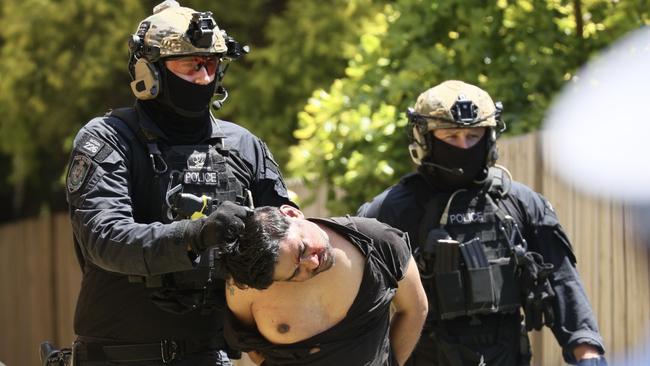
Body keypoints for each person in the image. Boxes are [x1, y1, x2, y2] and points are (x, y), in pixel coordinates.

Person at [63, 1, 294, 365]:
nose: (204, 77)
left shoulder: (244, 146)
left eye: (211, 64)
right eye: (190, 65)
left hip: (211, 356)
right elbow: (104, 238)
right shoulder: (108, 140)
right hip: (120, 357)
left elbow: (288, 235)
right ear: (148, 70)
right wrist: (195, 235)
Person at [357, 80, 608, 366]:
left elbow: (562, 281)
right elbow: (355, 301)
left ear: (488, 138)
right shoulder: (389, 211)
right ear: (425, 139)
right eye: (451, 136)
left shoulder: (519, 202)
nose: (463, 146)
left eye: (473, 136)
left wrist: (588, 353)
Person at [221, 205, 428, 365]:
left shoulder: (379, 240)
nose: (312, 263)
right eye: (295, 272)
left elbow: (415, 308)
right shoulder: (245, 288)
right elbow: (250, 344)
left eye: (303, 249)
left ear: (293, 214)